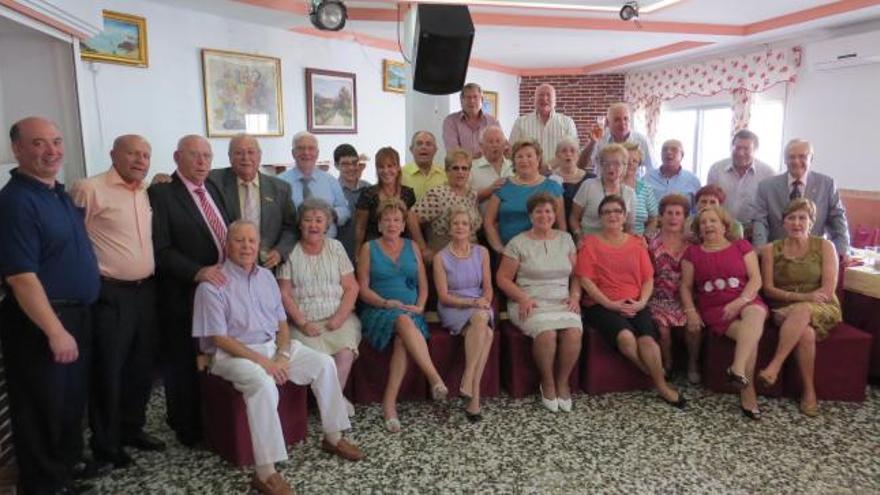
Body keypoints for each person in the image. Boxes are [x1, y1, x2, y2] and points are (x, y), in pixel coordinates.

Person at [193, 220, 363, 495]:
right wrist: (267, 364)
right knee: (262, 383)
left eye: (252, 240)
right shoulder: (213, 284)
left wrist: (283, 354)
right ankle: (266, 472)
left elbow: (282, 324)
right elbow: (219, 339)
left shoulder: (265, 278)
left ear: (259, 245)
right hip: (231, 355)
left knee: (323, 363)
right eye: (239, 240)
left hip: (272, 348)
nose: (247, 246)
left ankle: (333, 437)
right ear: (227, 245)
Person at [0, 117, 102, 494]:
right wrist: (55, 330)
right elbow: (21, 277)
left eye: (56, 142)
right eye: (39, 143)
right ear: (18, 149)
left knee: (69, 401)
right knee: (41, 405)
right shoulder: (15, 202)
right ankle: (44, 483)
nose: (52, 150)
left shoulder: (57, 193)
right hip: (42, 321)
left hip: (77, 313)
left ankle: (66, 466)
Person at [70, 135, 165, 471]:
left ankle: (132, 429)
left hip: (145, 291)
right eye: (132, 153)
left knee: (141, 367)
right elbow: (72, 242)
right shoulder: (89, 188)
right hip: (110, 293)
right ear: (113, 155)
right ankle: (105, 443)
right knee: (109, 369)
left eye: (146, 154)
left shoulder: (144, 190)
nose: (140, 160)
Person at [149, 135, 230, 446]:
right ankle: (186, 426)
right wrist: (197, 272)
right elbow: (162, 248)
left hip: (220, 289)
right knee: (182, 360)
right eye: (194, 155)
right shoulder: (161, 194)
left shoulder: (212, 188)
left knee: (211, 356)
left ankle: (210, 417)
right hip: (183, 291)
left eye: (207, 156)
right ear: (176, 157)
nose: (202, 162)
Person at [576, 195, 686, 409]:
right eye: (607, 212)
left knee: (647, 340)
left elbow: (647, 278)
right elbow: (585, 281)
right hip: (601, 304)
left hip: (636, 302)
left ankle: (661, 386)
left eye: (617, 211)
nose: (612, 215)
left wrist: (641, 302)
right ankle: (654, 375)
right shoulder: (590, 243)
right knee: (626, 337)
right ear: (600, 217)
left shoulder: (637, 244)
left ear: (625, 216)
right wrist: (609, 304)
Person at [356, 199, 448, 432]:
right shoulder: (369, 248)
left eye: (397, 219)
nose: (392, 224)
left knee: (402, 337)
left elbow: (423, 284)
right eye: (386, 220)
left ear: (403, 224)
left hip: (411, 311)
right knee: (402, 320)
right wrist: (385, 302)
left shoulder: (412, 246)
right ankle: (434, 378)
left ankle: (389, 405)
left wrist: (420, 306)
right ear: (379, 225)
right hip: (378, 310)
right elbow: (363, 289)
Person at [496, 192, 582, 413]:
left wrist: (575, 296)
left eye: (548, 211)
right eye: (539, 211)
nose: (544, 215)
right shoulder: (518, 242)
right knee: (548, 333)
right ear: (530, 215)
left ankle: (563, 382)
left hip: (561, 300)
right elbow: (502, 279)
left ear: (555, 215)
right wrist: (522, 297)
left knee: (573, 332)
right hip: (528, 301)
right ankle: (548, 382)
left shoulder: (566, 239)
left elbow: (578, 275)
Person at [680, 205, 768, 420]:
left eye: (713, 221)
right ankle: (747, 391)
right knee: (751, 337)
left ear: (724, 225)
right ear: (699, 230)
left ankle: (738, 369)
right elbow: (685, 286)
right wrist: (691, 311)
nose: (708, 225)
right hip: (715, 308)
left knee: (756, 312)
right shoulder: (693, 253)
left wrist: (740, 302)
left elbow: (756, 279)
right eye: (703, 223)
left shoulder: (741, 246)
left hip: (745, 299)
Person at [758, 198, 842, 417]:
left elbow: (827, 289)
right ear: (783, 223)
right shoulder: (769, 250)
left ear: (811, 222)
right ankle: (808, 391)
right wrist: (800, 298)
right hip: (782, 308)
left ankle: (774, 367)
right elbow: (768, 289)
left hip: (822, 306)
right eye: (791, 218)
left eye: (802, 218)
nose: (797, 223)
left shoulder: (825, 246)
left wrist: (803, 302)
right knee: (805, 332)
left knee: (802, 312)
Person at [277, 199, 362, 416]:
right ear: (300, 224)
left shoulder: (336, 248)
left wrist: (340, 317)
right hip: (303, 321)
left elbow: (351, 287)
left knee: (344, 353)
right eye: (308, 220)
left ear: (327, 224)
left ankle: (330, 405)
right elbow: (284, 293)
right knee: (317, 357)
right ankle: (335, 405)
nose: (313, 225)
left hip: (338, 318)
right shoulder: (291, 251)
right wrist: (303, 323)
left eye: (319, 220)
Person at [432, 207, 494, 421]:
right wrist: (472, 302)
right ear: (449, 229)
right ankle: (471, 387)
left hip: (479, 304)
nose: (460, 227)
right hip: (453, 306)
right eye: (456, 223)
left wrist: (484, 300)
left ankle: (470, 386)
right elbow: (443, 297)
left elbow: (488, 288)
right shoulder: (440, 257)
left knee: (483, 326)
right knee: (485, 329)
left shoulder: (482, 252)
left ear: (471, 228)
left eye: (464, 223)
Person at [210, 134, 297, 270]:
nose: (246, 158)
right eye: (239, 153)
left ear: (260, 155)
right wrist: (165, 180)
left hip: (267, 267)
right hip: (225, 267)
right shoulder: (213, 181)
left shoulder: (280, 188)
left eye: (251, 152)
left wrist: (280, 251)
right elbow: (188, 179)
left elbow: (291, 228)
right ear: (230, 156)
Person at [752, 139, 850, 257]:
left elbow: (838, 220)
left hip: (814, 258)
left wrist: (841, 251)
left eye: (802, 156)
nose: (796, 161)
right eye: (791, 157)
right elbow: (760, 221)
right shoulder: (766, 186)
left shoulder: (827, 185)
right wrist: (761, 250)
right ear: (785, 160)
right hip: (777, 256)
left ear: (811, 158)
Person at [484, 139, 564, 254]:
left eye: (529, 156)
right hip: (508, 253)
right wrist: (499, 248)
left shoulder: (552, 187)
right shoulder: (502, 186)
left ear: (538, 159)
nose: (524, 160)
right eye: (519, 156)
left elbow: (561, 226)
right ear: (514, 161)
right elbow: (488, 222)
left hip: (544, 253)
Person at [646, 194, 695, 380]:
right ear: (661, 216)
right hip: (657, 297)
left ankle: (693, 364)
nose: (673, 217)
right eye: (669, 213)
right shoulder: (650, 242)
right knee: (663, 330)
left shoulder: (693, 244)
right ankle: (667, 366)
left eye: (678, 213)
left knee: (694, 327)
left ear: (685, 218)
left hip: (685, 298)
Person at [409, 149, 481, 261]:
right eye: (455, 168)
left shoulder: (472, 194)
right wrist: (423, 249)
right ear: (447, 171)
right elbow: (411, 217)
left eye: (464, 168)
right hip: (444, 258)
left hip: (471, 256)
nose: (460, 172)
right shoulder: (438, 194)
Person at [279, 131, 350, 238]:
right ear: (293, 153)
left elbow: (345, 210)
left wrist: (331, 214)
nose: (306, 152)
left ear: (317, 153)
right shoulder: (279, 182)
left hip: (327, 247)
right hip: (291, 247)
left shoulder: (331, 181)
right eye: (301, 148)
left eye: (311, 148)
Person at [706, 129, 775, 229]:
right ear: (731, 147)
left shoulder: (768, 173)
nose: (740, 153)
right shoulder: (716, 169)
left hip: (753, 232)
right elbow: (709, 203)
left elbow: (769, 208)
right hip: (721, 231)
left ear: (755, 150)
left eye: (746, 149)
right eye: (737, 148)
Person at [354, 147, 416, 256]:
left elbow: (412, 226)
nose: (386, 171)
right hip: (374, 251)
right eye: (381, 167)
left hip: (403, 250)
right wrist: (358, 254)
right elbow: (360, 228)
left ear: (398, 168)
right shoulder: (367, 194)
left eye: (390, 166)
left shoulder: (408, 194)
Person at [569, 144, 636, 240]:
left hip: (617, 243)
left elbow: (629, 227)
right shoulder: (588, 185)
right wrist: (579, 236)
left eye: (616, 163)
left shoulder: (630, 193)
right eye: (606, 163)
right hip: (589, 242)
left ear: (624, 166)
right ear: (600, 165)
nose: (611, 167)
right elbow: (573, 217)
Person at [509, 83, 578, 164]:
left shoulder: (567, 122)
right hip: (529, 175)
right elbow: (512, 151)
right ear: (534, 99)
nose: (544, 98)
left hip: (559, 174)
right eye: (540, 95)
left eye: (548, 95)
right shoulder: (520, 123)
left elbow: (574, 152)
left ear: (555, 100)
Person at [590, 102, 655, 172]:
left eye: (626, 119)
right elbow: (584, 164)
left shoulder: (641, 140)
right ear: (608, 122)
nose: (622, 123)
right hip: (602, 182)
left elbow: (651, 169)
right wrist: (591, 143)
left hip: (633, 182)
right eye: (617, 120)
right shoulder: (600, 138)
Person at [442, 82, 499, 158]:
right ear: (461, 101)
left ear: (481, 100)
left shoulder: (492, 121)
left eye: (475, 97)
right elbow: (453, 151)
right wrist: (477, 156)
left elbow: (500, 147)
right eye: (468, 97)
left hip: (487, 168)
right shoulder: (451, 121)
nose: (472, 101)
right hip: (461, 168)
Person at [335, 144, 371, 262]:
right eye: (345, 164)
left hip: (367, 255)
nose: (351, 168)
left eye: (354, 163)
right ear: (336, 166)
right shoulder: (332, 190)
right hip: (340, 255)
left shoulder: (369, 189)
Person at [469, 125, 512, 216]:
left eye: (498, 141)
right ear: (481, 145)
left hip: (512, 224)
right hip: (480, 226)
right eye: (490, 141)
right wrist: (489, 190)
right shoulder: (470, 168)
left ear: (505, 144)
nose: (495, 145)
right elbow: (464, 199)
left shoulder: (514, 166)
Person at [645, 139, 701, 205]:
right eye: (665, 150)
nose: (668, 152)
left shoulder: (693, 181)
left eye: (674, 149)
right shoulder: (647, 179)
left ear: (682, 155)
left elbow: (698, 210)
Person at [549, 137, 592, 218]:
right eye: (564, 151)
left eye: (572, 151)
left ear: (578, 155)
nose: (568, 154)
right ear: (557, 155)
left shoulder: (590, 179)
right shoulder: (549, 179)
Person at [622, 142, 658, 236]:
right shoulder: (610, 185)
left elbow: (654, 218)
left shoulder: (646, 188)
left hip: (638, 241)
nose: (630, 163)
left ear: (639, 165)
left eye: (635, 161)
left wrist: (645, 237)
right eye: (627, 160)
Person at [402, 131, 447, 201]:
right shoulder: (400, 174)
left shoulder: (445, 175)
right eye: (419, 143)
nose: (424, 147)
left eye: (428, 144)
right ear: (411, 149)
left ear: (435, 150)